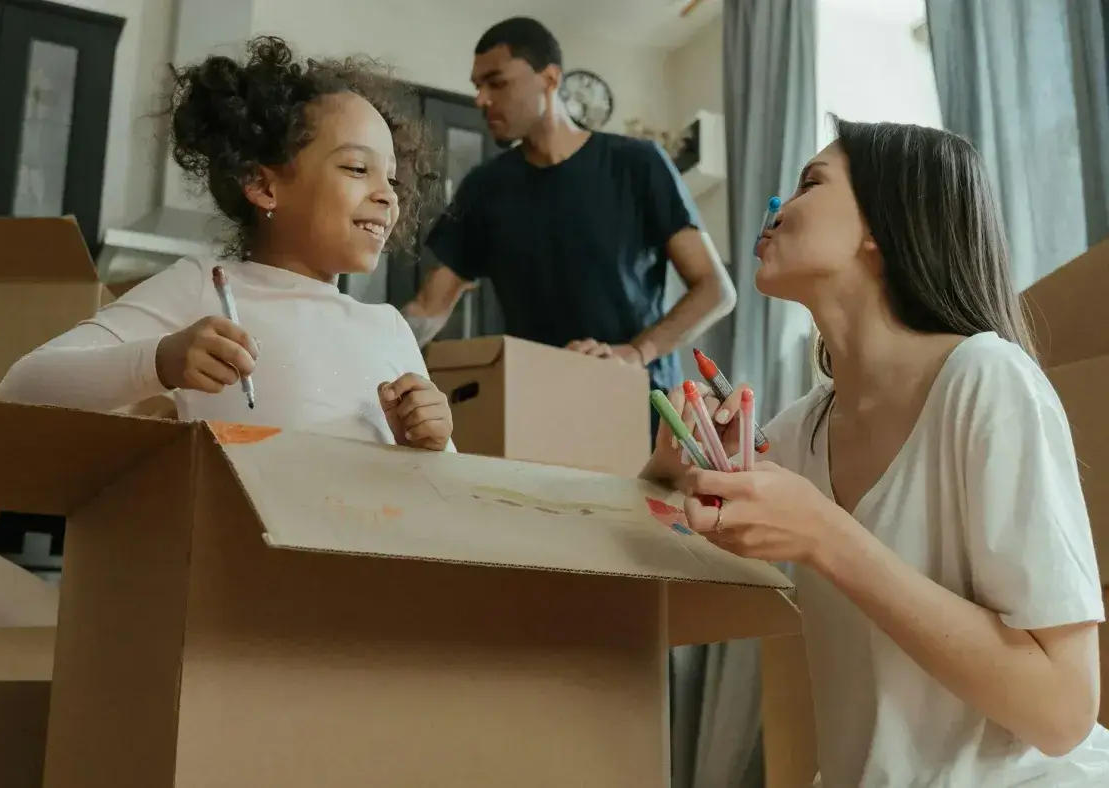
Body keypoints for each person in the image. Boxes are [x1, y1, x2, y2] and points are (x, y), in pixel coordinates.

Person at [644, 117, 1109, 786]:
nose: (775, 211)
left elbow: (1063, 712)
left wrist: (826, 536)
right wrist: (670, 468)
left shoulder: (986, 379)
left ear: (881, 228)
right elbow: (666, 571)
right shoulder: (804, 428)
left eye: (810, 184)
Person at [0, 37, 454, 452]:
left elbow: (439, 492)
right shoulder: (207, 288)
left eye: (392, 179)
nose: (388, 195)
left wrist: (432, 442)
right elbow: (21, 389)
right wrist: (159, 362)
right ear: (263, 185)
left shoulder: (390, 329)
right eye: (357, 168)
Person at [401, 17, 735, 437]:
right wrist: (365, 340)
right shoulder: (484, 189)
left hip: (640, 414)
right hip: (535, 417)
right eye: (477, 86)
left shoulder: (637, 164)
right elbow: (429, 307)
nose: (481, 99)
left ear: (550, 79)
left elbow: (715, 289)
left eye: (496, 83)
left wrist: (634, 352)